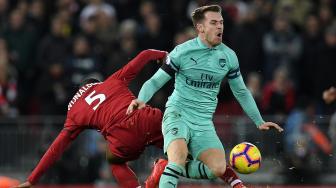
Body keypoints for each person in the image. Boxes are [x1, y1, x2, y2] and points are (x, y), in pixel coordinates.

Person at [127, 5, 283, 188]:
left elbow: (241, 91)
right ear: (200, 28)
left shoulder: (229, 56)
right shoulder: (182, 52)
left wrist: (259, 121)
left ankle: (163, 167)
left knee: (217, 168)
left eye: (222, 23)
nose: (220, 27)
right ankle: (171, 167)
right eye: (214, 23)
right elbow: (154, 81)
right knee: (177, 159)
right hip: (178, 114)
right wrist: (141, 99)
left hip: (203, 122)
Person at [14, 49, 167, 188]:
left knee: (115, 161)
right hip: (148, 118)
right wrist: (162, 56)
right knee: (181, 150)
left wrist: (32, 179)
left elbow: (55, 149)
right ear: (96, 84)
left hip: (123, 138)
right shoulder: (111, 81)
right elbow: (145, 55)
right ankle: (170, 165)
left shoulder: (74, 114)